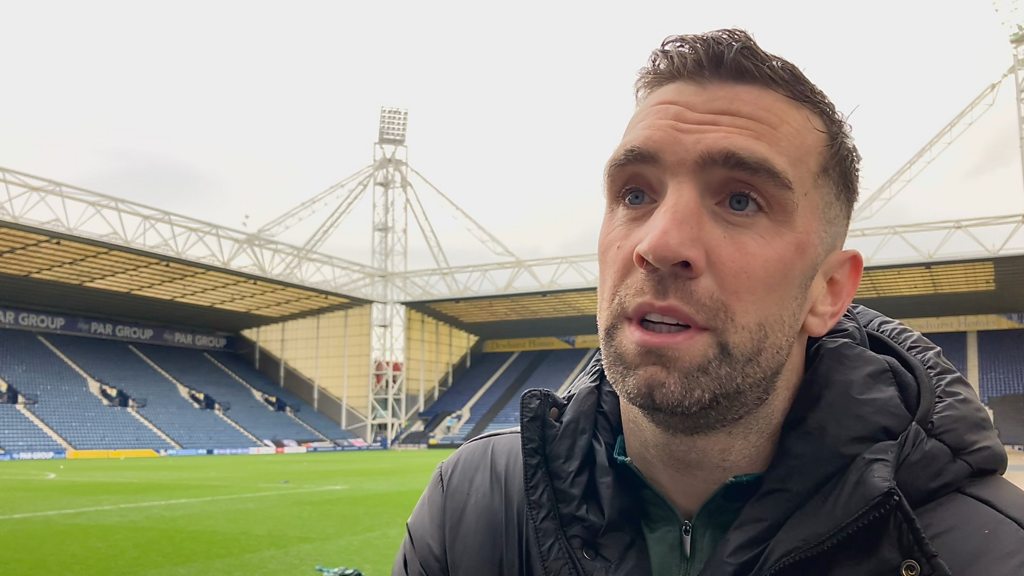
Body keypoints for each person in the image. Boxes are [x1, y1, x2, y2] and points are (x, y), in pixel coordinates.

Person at [394, 29, 1024, 575]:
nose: (660, 244)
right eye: (635, 194)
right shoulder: (472, 507)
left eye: (740, 200)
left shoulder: (983, 550)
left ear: (828, 291)